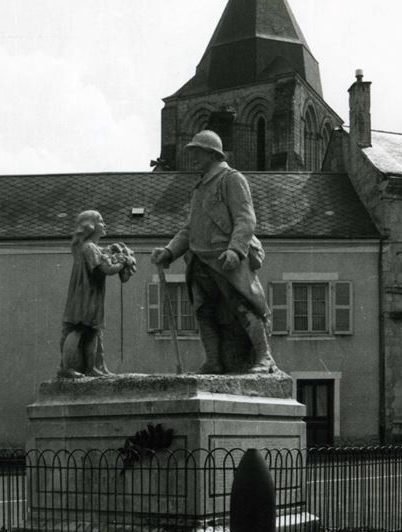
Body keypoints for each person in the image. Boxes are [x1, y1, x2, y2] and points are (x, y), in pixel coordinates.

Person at [151, 130, 276, 374]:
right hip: (200, 260)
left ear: (211, 153)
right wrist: (169, 252)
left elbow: (246, 219)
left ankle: (265, 357)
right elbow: (190, 229)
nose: (193, 157)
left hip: (226, 257)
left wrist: (236, 250)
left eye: (197, 151)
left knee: (245, 306)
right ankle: (214, 361)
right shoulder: (200, 187)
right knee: (204, 312)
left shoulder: (231, 179)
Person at [58, 210, 136, 378]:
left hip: (86, 295)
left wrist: (113, 250)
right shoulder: (89, 248)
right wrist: (122, 262)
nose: (105, 224)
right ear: (91, 227)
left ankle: (94, 367)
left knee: (93, 331)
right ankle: (69, 367)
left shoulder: (88, 247)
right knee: (80, 330)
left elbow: (103, 254)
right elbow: (105, 269)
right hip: (87, 296)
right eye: (101, 221)